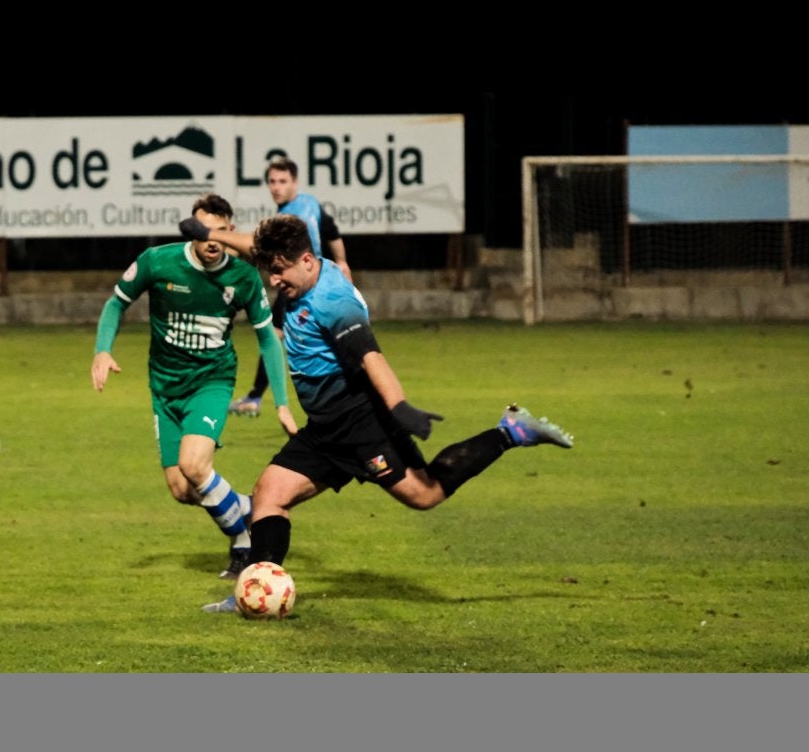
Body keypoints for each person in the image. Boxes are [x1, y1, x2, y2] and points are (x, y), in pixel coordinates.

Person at [200, 214, 574, 613]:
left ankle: (510, 431)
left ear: (307, 260)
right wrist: (211, 234)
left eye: (278, 271)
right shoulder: (297, 270)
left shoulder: (334, 302)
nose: (273, 281)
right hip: (325, 426)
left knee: (424, 493)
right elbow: (253, 247)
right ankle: (255, 593)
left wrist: (400, 408)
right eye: (269, 270)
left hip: (363, 422)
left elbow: (371, 356)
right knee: (268, 496)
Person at [93, 193, 297, 580]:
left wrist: (281, 402)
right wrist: (102, 350)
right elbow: (116, 303)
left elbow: (268, 339)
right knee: (182, 489)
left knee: (194, 464)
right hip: (165, 387)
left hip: (212, 381)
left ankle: (243, 543)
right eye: (203, 231)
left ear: (231, 232)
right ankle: (250, 508)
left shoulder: (242, 277)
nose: (211, 240)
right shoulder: (159, 262)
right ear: (192, 231)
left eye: (219, 231)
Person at [179, 155, 352, 418]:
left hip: (303, 285)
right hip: (312, 281)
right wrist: (341, 262)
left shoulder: (292, 214)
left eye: (282, 181)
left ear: (295, 182)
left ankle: (263, 397)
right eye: (272, 181)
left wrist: (213, 241)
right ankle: (266, 396)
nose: (276, 187)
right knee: (289, 336)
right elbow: (332, 231)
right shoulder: (311, 204)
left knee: (281, 337)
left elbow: (259, 248)